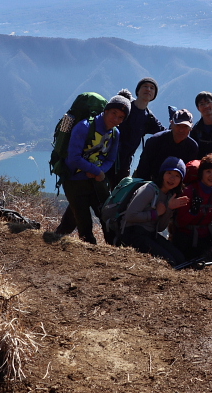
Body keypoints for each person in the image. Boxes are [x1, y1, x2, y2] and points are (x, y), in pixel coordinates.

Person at [62, 94, 131, 244]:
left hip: (96, 180)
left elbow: (111, 159)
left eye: (120, 117)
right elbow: (73, 158)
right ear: (106, 110)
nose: (116, 119)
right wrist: (97, 171)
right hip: (74, 180)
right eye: (114, 113)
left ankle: (115, 249)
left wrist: (98, 172)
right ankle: (90, 256)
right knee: (84, 223)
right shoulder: (84, 127)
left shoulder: (115, 133)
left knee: (107, 216)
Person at [120, 157, 189, 266]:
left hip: (151, 234)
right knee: (171, 262)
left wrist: (169, 209)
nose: (172, 178)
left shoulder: (169, 196)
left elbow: (160, 227)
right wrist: (155, 213)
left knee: (181, 259)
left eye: (177, 176)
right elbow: (130, 215)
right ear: (162, 174)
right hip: (133, 233)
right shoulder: (149, 189)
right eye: (169, 173)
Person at [110, 78, 165, 188]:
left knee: (118, 196)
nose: (148, 89)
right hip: (107, 157)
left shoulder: (149, 118)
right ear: (138, 91)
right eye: (145, 86)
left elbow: (165, 133)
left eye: (152, 88)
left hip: (124, 164)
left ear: (154, 95)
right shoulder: (125, 108)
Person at [172, 153, 212, 260]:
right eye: (208, 172)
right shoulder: (189, 191)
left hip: (206, 236)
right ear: (201, 173)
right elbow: (180, 222)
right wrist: (192, 213)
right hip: (186, 237)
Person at [134, 109, 198, 181]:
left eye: (185, 127)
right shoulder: (155, 141)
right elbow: (143, 170)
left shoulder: (192, 147)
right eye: (178, 125)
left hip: (177, 186)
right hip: (151, 183)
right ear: (172, 124)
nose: (181, 130)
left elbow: (188, 174)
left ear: (191, 128)